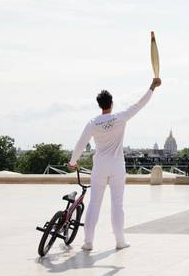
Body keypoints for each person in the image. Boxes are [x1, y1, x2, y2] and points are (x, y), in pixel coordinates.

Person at [68, 78, 162, 251]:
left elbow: (80, 144)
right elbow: (139, 104)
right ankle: (120, 241)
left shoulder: (92, 123)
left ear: (100, 105)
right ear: (112, 103)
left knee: (94, 204)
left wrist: (72, 162)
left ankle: (88, 242)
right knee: (117, 205)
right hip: (118, 166)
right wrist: (152, 87)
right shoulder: (120, 117)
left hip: (100, 166)